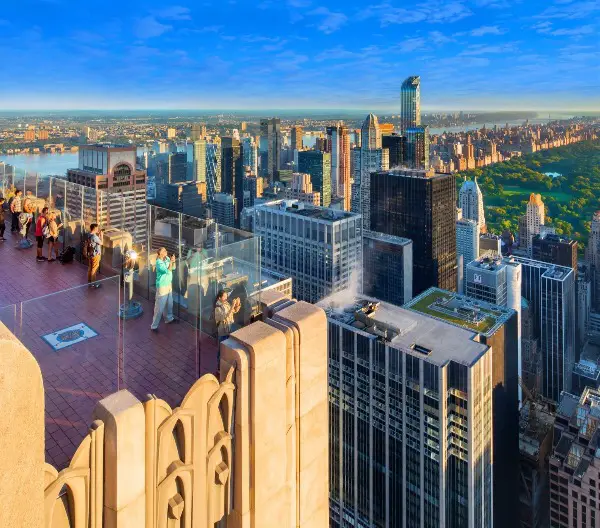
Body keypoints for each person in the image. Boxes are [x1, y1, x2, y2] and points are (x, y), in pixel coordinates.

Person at [151, 247, 177, 331]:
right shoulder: (158, 262)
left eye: (166, 250)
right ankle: (154, 326)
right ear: (160, 253)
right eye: (164, 251)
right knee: (160, 307)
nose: (166, 251)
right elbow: (167, 270)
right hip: (162, 286)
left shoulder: (167, 258)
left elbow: (173, 268)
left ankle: (169, 319)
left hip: (169, 284)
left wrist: (173, 261)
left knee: (169, 304)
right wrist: (171, 263)